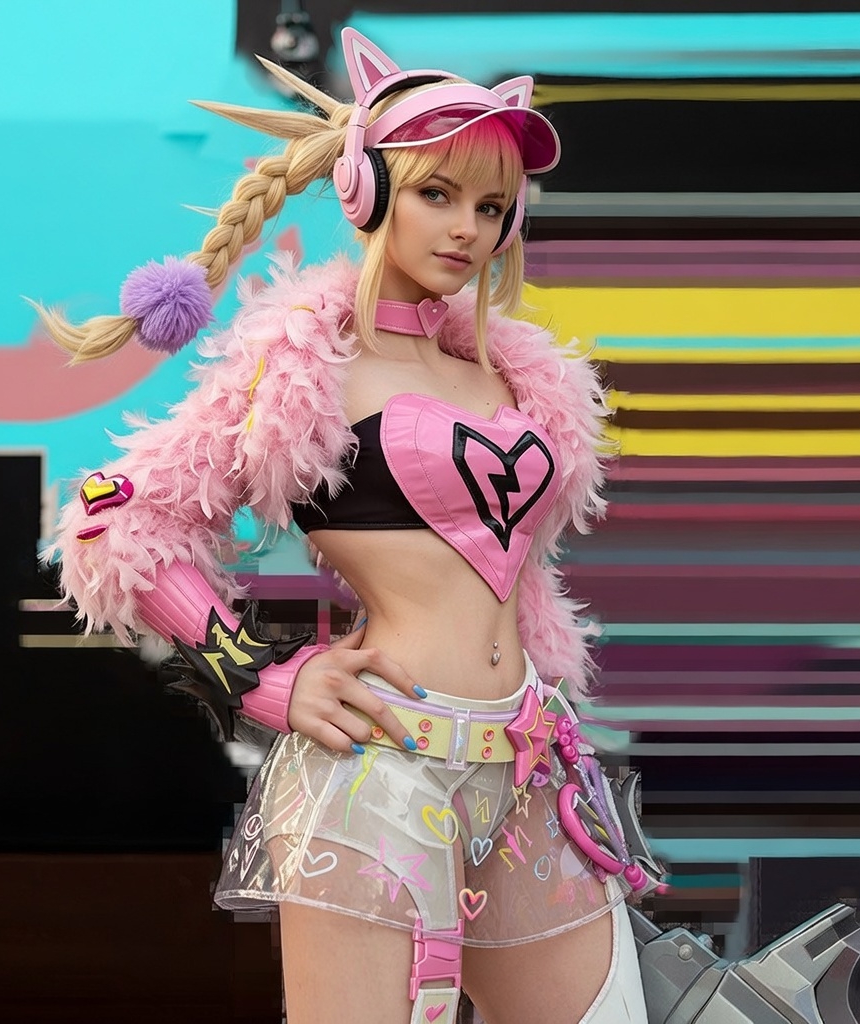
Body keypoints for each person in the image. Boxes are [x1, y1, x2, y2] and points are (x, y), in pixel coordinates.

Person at [41, 28, 656, 1024]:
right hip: (381, 770)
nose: (466, 229)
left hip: (526, 767)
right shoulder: (303, 365)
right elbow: (116, 518)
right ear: (366, 188)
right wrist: (257, 676)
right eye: (437, 193)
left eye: (490, 206)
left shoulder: (513, 376)